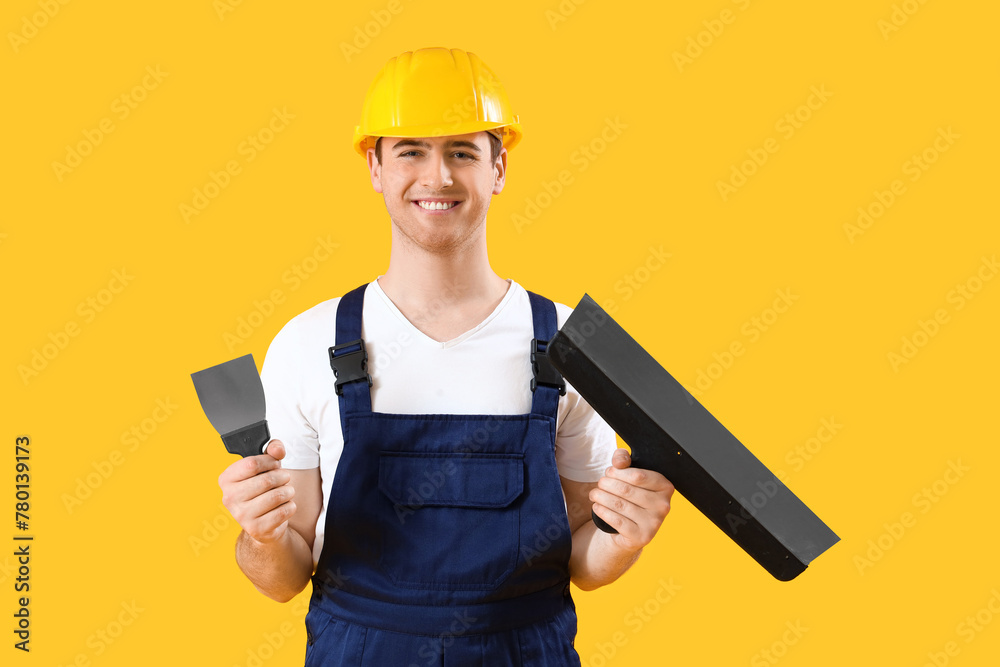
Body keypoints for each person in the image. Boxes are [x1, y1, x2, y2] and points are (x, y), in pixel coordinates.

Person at [217, 47, 675, 666]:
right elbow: (283, 575)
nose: (438, 177)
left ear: (499, 168)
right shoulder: (307, 342)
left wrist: (625, 537)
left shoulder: (570, 343)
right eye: (411, 151)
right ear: (375, 168)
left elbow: (582, 561)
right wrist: (260, 533)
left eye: (462, 151)